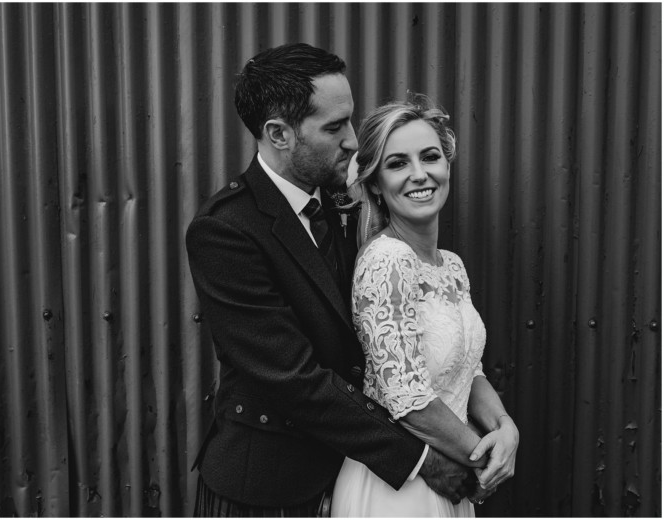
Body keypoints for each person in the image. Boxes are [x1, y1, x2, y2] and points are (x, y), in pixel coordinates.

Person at [185, 44, 477, 516]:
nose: (352, 141)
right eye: (334, 126)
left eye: (351, 121)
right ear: (279, 134)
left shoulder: (348, 205)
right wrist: (420, 459)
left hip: (354, 476)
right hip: (269, 489)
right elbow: (292, 377)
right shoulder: (226, 231)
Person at [331, 96, 519, 517]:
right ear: (375, 182)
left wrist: (505, 428)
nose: (420, 174)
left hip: (451, 475)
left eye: (430, 157)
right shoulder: (386, 260)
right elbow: (408, 401)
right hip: (399, 490)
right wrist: (483, 458)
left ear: (447, 165)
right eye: (398, 163)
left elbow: (469, 370)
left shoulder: (450, 266)